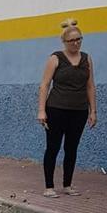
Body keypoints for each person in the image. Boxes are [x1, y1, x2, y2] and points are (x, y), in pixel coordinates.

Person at [37, 19, 97, 198]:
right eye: (72, 40)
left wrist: (93, 110)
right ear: (64, 42)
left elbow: (90, 86)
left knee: (72, 148)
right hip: (56, 108)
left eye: (79, 39)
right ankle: (49, 186)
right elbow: (45, 85)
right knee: (53, 147)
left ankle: (68, 184)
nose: (76, 43)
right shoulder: (56, 58)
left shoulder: (87, 58)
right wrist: (41, 110)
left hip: (79, 110)